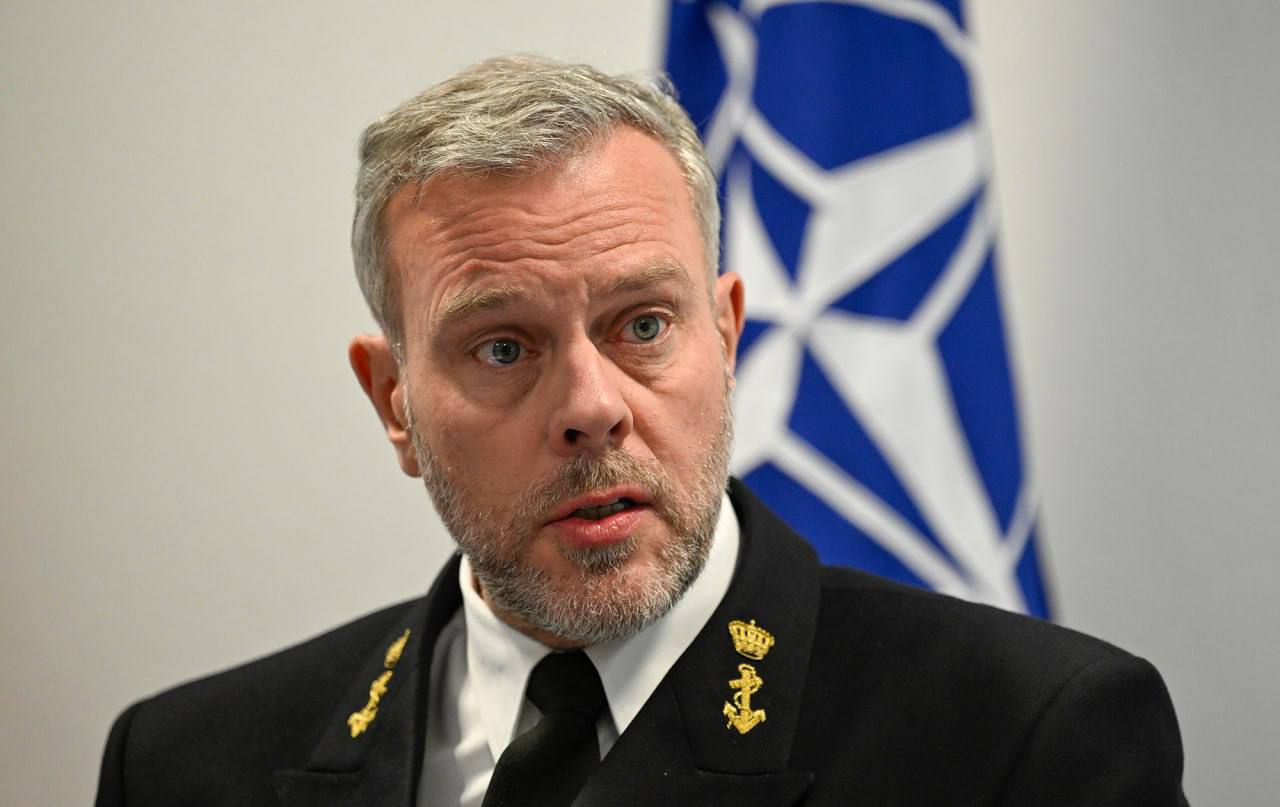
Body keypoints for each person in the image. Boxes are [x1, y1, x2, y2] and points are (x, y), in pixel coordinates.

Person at [95, 55, 1188, 806]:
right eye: (502, 347)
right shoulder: (181, 766)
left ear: (726, 336)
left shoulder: (1027, 743)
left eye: (644, 325)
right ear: (394, 403)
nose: (591, 406)